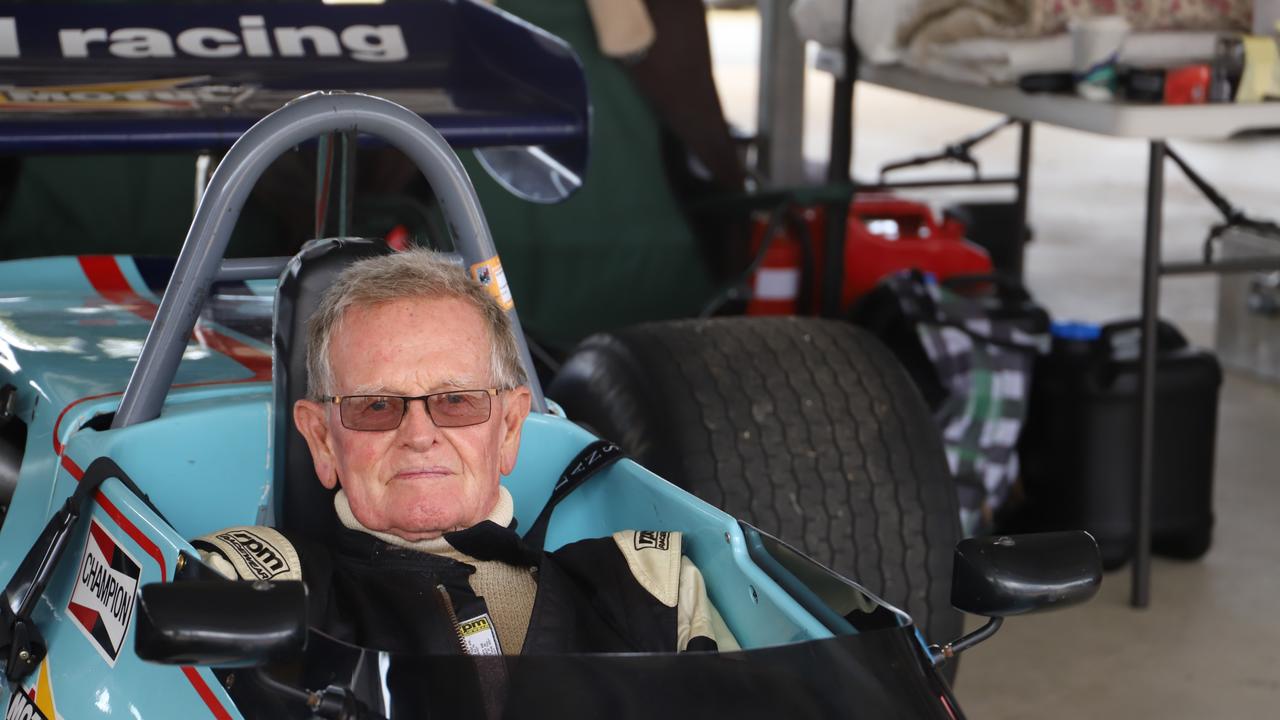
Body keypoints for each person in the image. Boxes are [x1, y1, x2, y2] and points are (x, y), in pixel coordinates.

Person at [195, 248, 737, 658]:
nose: (419, 433)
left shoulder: (649, 584)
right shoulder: (275, 584)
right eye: (377, 406)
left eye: (455, 401)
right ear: (321, 440)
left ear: (509, 429)